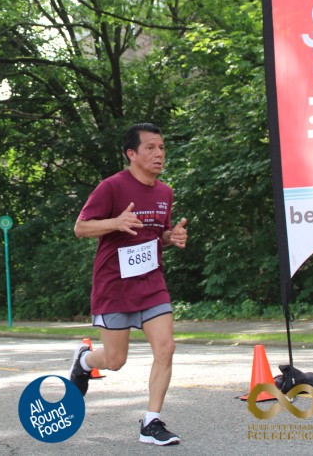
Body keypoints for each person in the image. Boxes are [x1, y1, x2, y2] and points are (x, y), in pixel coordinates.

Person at [69, 122, 188, 446]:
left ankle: (151, 422)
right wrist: (115, 222)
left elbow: (156, 234)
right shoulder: (111, 187)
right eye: (150, 147)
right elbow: (80, 228)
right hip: (114, 286)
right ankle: (85, 361)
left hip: (151, 284)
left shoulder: (165, 192)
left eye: (161, 147)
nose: (159, 153)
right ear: (131, 154)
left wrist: (172, 236)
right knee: (115, 361)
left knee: (166, 347)